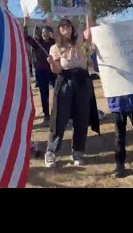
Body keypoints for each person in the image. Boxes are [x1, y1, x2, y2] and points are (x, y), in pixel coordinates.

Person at [44, 15, 99, 167]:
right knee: (59, 118)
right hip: (65, 81)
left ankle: (78, 152)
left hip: (82, 79)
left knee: (82, 117)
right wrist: (51, 62)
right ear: (59, 30)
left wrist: (88, 16)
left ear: (72, 28)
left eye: (68, 26)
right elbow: (56, 70)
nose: (66, 29)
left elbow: (91, 33)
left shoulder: (80, 42)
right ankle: (51, 152)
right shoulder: (55, 47)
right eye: (63, 27)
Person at [23, 16, 56, 127]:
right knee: (44, 94)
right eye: (43, 33)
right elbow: (25, 37)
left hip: (53, 71)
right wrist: (25, 24)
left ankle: (59, 114)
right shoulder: (37, 43)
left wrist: (54, 30)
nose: (45, 35)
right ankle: (47, 116)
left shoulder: (55, 43)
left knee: (58, 93)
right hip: (41, 72)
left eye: (47, 33)